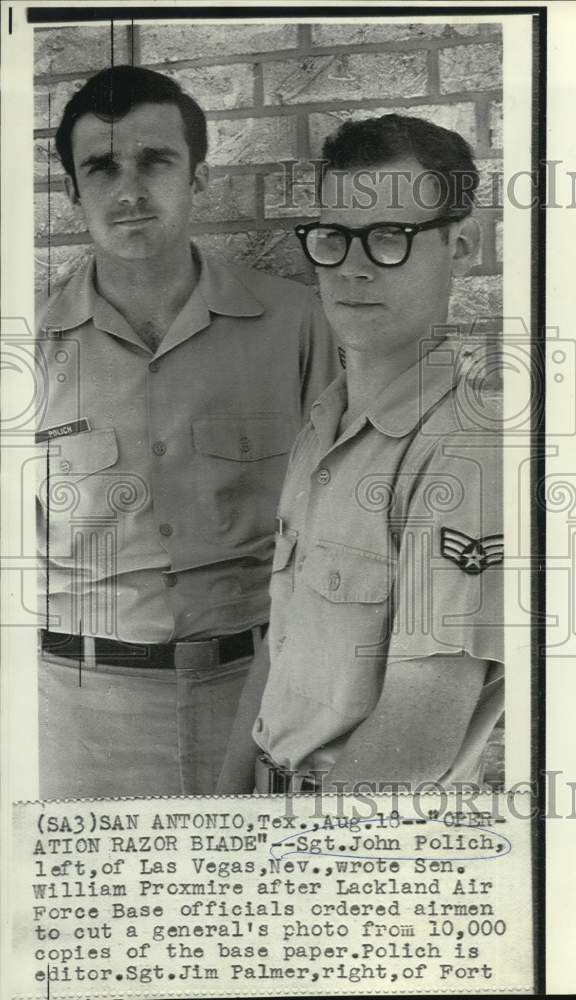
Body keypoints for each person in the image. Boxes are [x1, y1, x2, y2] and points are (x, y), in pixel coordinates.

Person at [36, 65, 337, 799]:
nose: (129, 189)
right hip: (78, 718)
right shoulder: (25, 343)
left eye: (155, 161)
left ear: (197, 176)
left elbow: (343, 520)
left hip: (262, 697)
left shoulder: (296, 323)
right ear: (73, 191)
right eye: (101, 167)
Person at [218, 114, 504, 794]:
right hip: (272, 806)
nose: (351, 267)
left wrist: (288, 871)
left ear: (459, 247)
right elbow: (281, 646)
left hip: (362, 847)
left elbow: (417, 732)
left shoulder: (468, 453)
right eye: (334, 239)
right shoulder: (325, 423)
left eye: (388, 239)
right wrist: (221, 812)